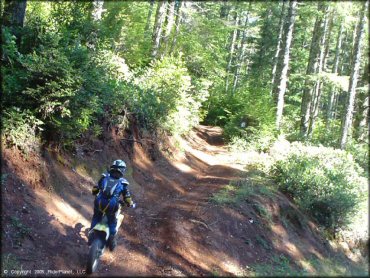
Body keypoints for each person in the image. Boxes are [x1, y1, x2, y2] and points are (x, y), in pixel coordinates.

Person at [89, 159, 135, 251]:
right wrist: (130, 204)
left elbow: (95, 189)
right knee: (112, 222)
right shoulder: (123, 183)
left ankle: (91, 233)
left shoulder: (104, 176)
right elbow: (127, 197)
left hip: (99, 202)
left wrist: (95, 193)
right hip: (112, 205)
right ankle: (111, 240)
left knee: (96, 217)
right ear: (122, 170)